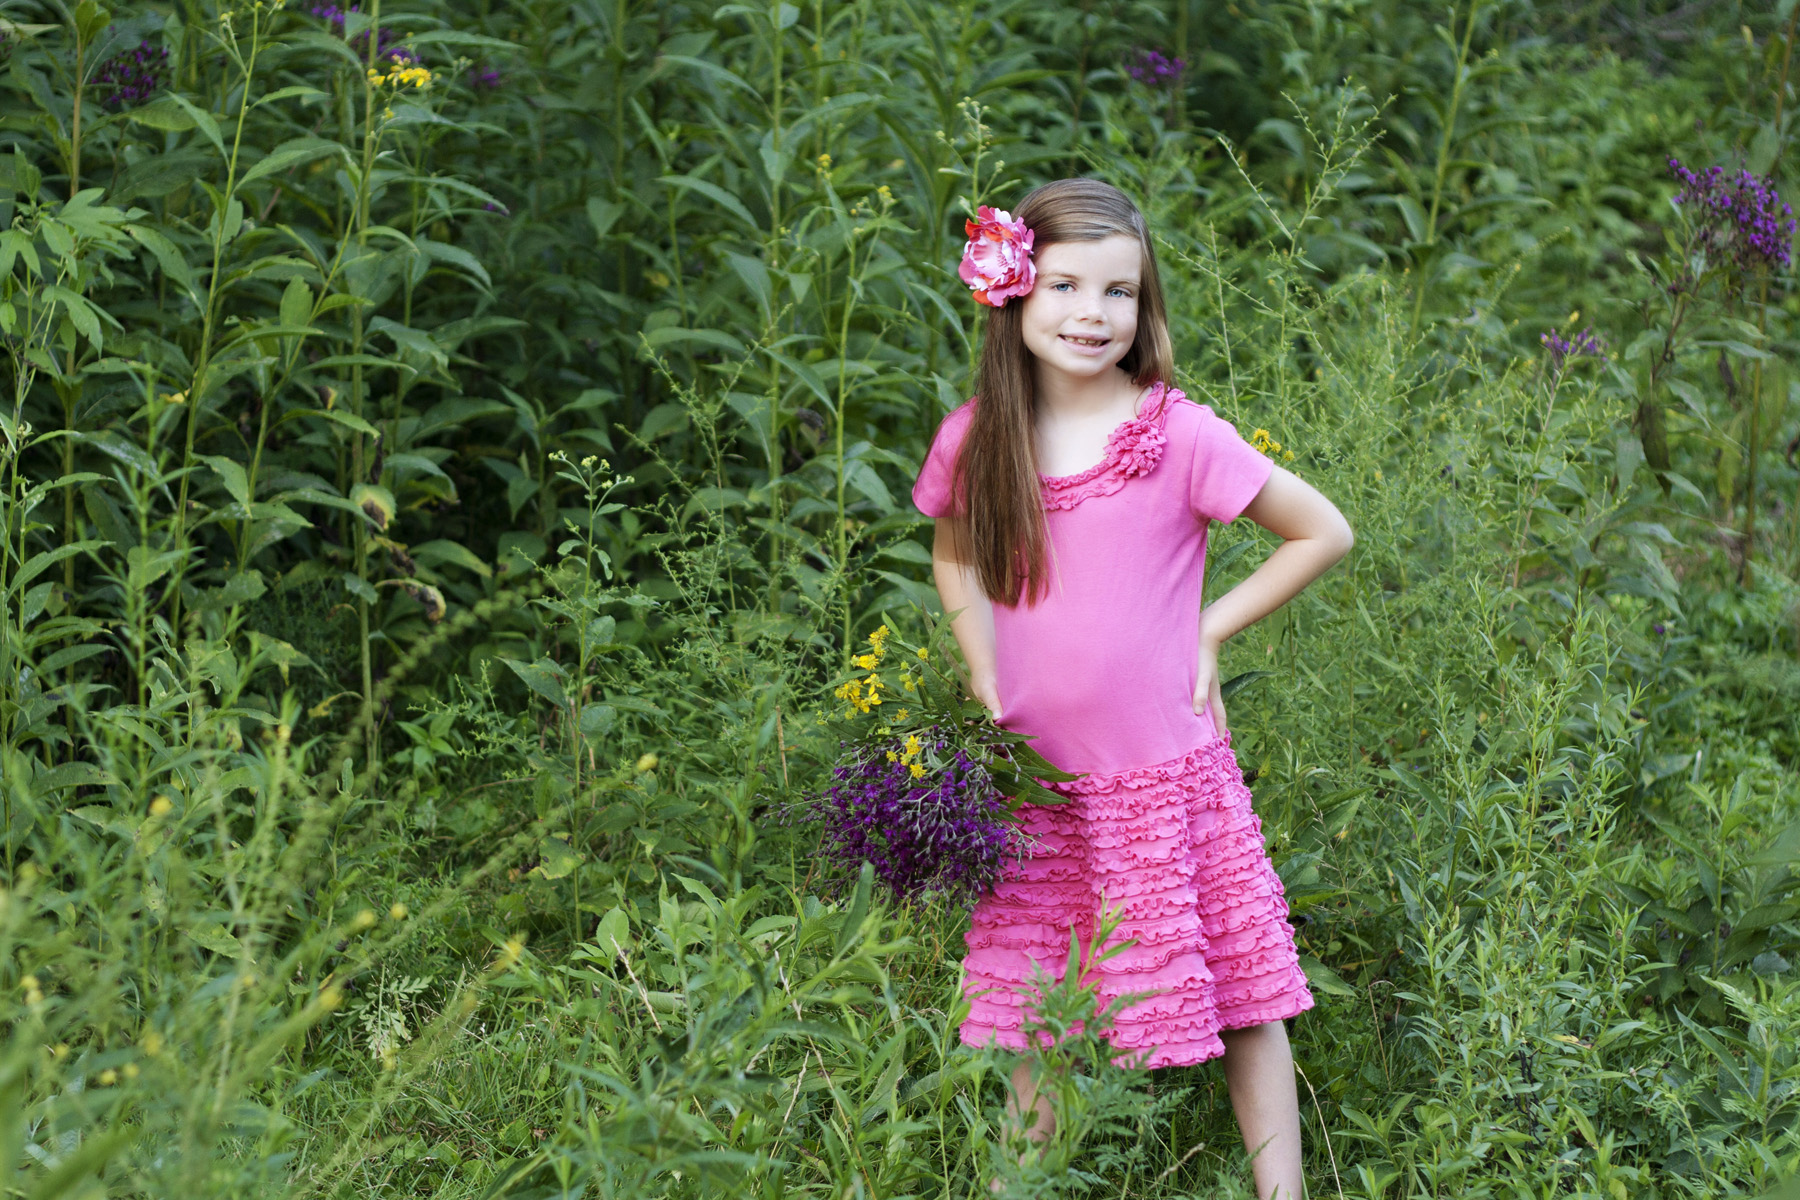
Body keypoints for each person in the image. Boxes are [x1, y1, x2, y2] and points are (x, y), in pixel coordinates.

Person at [911, 178, 1353, 1200]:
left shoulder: (1177, 436)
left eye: (1119, 291)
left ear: (1144, 305)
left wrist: (1209, 626)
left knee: (1245, 992)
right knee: (1038, 1008)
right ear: (1014, 294)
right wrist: (981, 660)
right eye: (1065, 285)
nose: (1092, 313)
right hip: (1041, 787)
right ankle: (1027, 1183)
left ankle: (1282, 1191)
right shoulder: (979, 438)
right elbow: (955, 552)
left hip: (1163, 779)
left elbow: (1322, 530)